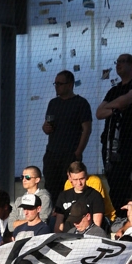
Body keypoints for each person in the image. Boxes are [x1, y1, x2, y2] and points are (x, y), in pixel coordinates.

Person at [96, 53, 132, 211]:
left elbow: (124, 101)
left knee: (124, 183)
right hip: (108, 143)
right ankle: (118, 218)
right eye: (117, 61)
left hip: (128, 142)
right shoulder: (114, 90)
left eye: (122, 61)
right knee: (112, 181)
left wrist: (114, 106)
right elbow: (99, 113)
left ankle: (126, 217)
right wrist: (116, 107)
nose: (118, 64)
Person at [42, 70, 93, 198]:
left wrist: (78, 152)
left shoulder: (81, 103)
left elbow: (87, 129)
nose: (57, 86)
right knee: (51, 187)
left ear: (70, 85)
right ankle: (54, 214)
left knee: (70, 187)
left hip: (70, 154)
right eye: (55, 83)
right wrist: (45, 128)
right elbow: (46, 125)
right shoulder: (53, 103)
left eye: (60, 83)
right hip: (52, 153)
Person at [54, 162, 106, 231]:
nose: (79, 183)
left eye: (82, 178)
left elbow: (97, 225)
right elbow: (59, 223)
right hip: (67, 237)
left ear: (86, 176)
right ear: (69, 178)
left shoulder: (95, 196)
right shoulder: (63, 196)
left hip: (86, 236)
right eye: (75, 179)